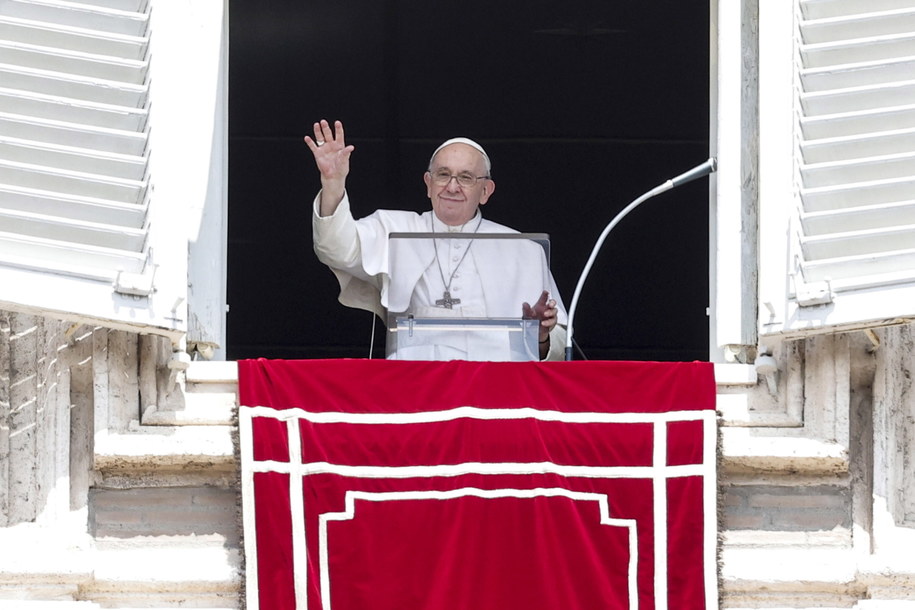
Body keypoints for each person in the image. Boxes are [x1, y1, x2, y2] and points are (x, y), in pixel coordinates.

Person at [307, 119, 567, 361]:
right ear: (428, 183)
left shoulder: (523, 250)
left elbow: (558, 346)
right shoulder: (392, 228)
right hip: (415, 384)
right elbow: (334, 249)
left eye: (465, 177)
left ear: (485, 191)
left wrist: (541, 335)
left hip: (495, 385)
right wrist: (333, 183)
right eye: (443, 175)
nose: (452, 187)